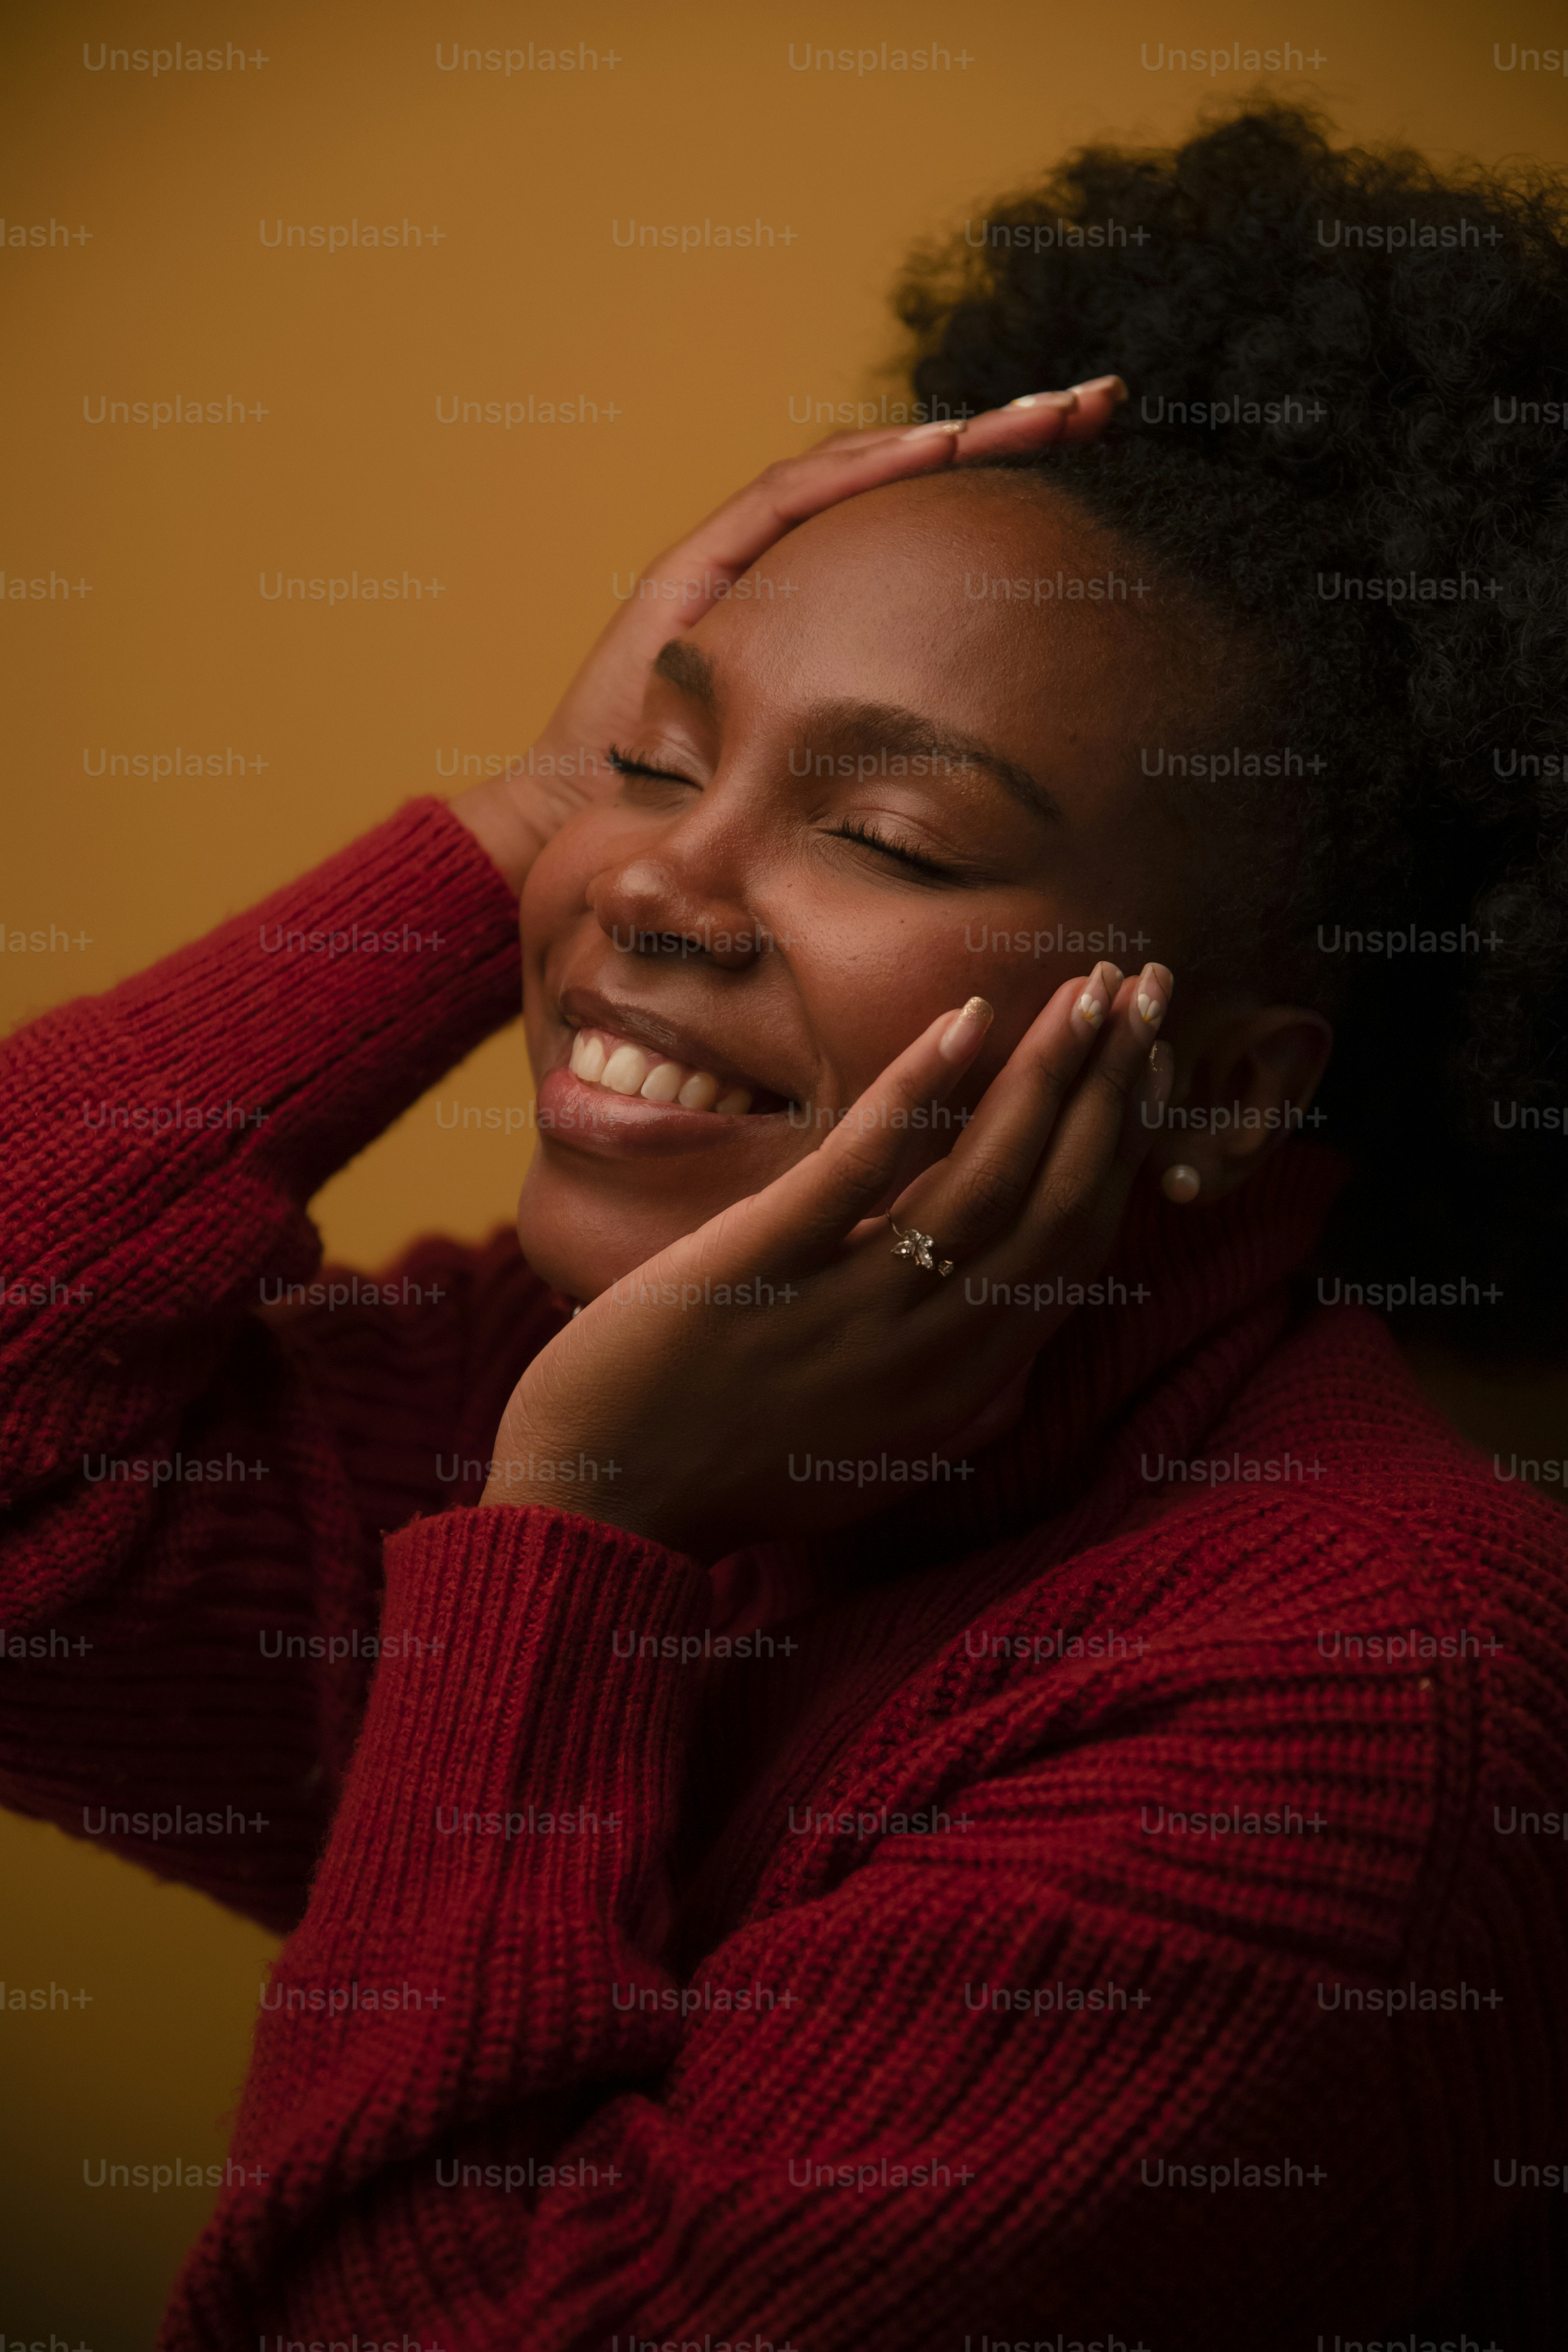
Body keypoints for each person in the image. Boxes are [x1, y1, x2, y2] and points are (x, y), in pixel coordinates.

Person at [3, 99, 1567, 2351]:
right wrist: (499, 832)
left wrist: (573, 1553)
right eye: (654, 760)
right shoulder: (552, 1370)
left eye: (894, 838)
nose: (646, 885)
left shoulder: (1346, 1720)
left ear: (1221, 1088)